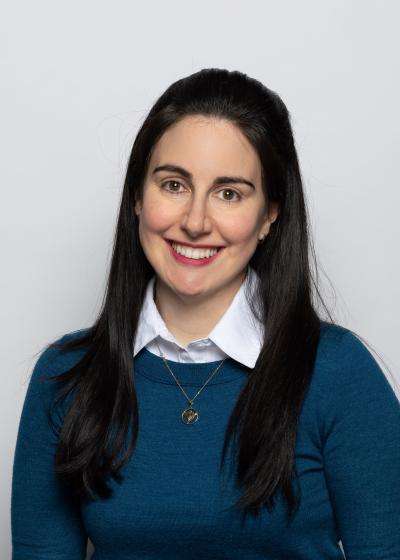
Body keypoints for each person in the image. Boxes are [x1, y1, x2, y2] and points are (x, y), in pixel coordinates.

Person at [11, 68, 400, 560]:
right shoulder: (65, 378)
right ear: (137, 195)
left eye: (229, 193)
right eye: (173, 185)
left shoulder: (340, 375)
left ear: (270, 215)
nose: (195, 222)